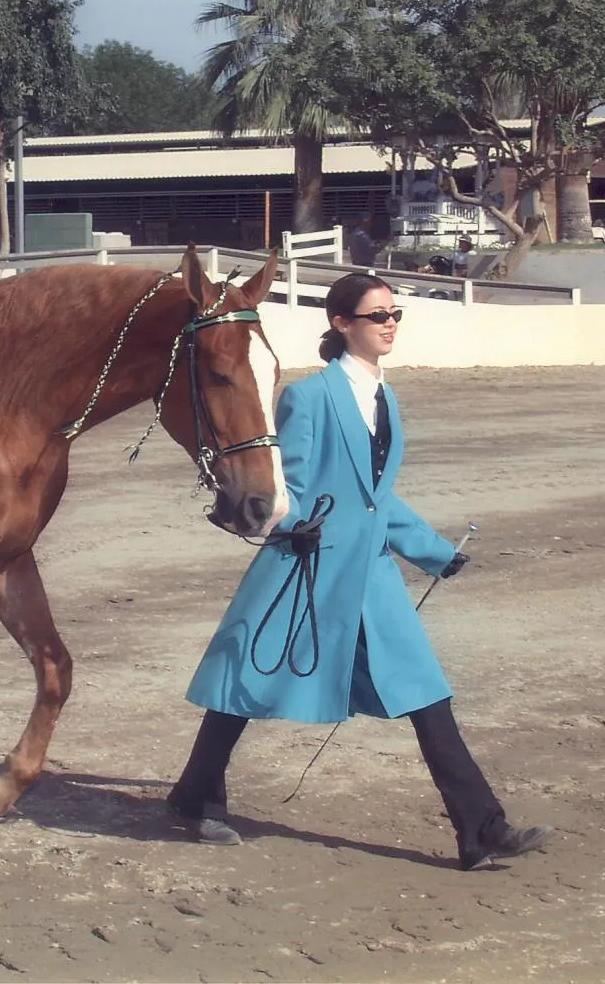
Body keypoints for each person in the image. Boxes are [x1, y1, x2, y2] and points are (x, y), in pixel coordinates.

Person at [166, 272, 551, 872]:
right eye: (378, 316)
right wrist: (283, 525)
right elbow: (285, 485)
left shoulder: (385, 396)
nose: (391, 323)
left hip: (370, 574)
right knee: (244, 686)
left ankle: (481, 829)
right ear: (341, 324)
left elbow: (374, 496)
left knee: (427, 695)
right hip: (306, 567)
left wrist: (432, 550)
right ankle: (196, 797)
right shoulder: (310, 397)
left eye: (396, 314)